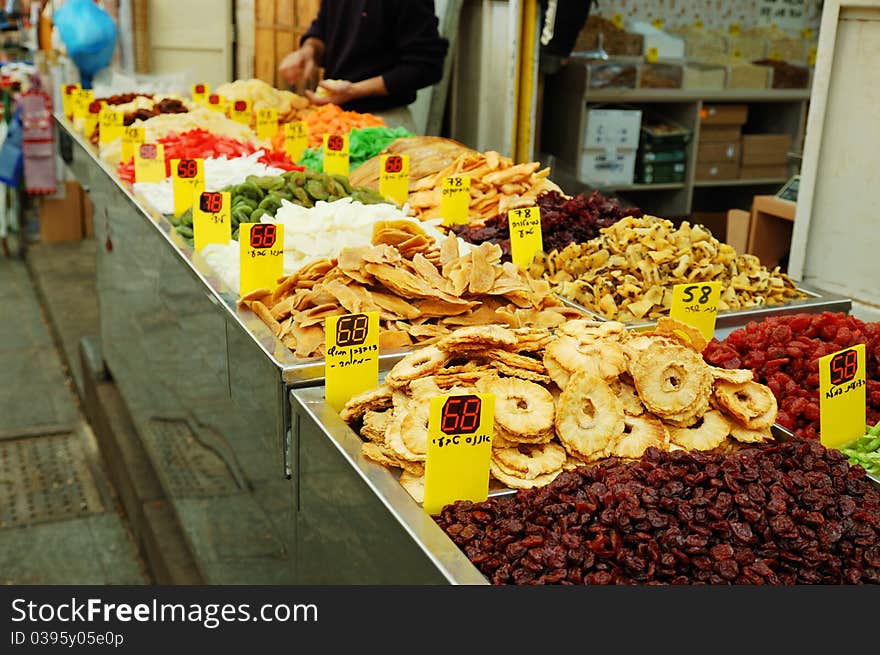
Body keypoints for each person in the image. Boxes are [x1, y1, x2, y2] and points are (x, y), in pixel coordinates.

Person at [278, 0, 448, 131]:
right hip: (333, 120)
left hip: (384, 123)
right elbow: (322, 27)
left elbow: (426, 66)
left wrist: (355, 90)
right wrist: (309, 50)